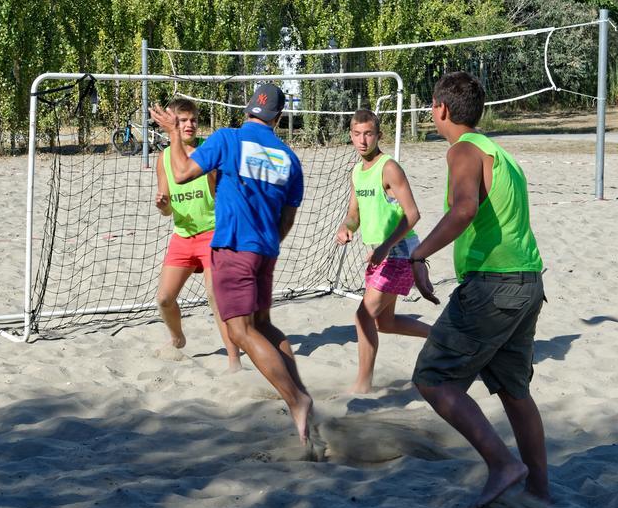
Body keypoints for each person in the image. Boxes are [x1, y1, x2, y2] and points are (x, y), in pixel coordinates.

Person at [409, 71, 548, 508]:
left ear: (442, 110)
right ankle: (540, 493)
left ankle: (502, 465)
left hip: (494, 285)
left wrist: (418, 255)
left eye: (431, 106)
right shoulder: (499, 152)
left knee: (432, 378)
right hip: (527, 283)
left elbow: (464, 208)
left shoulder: (464, 150)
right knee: (514, 392)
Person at [150, 84, 313, 444]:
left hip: (232, 247)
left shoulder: (227, 139)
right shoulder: (288, 157)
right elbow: (287, 219)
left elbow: (181, 173)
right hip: (265, 251)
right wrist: (267, 243)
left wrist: (173, 133)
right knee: (264, 325)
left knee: (239, 330)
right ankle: (300, 393)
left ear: (247, 110)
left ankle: (297, 400)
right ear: (279, 118)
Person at [335, 109, 430, 393]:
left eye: (368, 134)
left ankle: (362, 386)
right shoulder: (356, 171)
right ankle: (441, 337)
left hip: (400, 254)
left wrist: (386, 246)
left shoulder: (389, 167)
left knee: (363, 316)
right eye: (357, 134)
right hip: (381, 255)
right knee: (384, 323)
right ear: (350, 135)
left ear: (379, 135)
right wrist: (346, 227)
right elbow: (354, 214)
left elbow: (413, 214)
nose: (362, 140)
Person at [153, 97, 241, 372]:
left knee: (216, 296)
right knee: (164, 299)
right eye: (182, 120)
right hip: (183, 235)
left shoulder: (208, 150)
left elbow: (221, 194)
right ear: (172, 125)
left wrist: (214, 174)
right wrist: (164, 204)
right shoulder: (164, 158)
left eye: (192, 119)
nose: (189, 124)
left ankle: (234, 360)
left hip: (214, 233)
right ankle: (177, 339)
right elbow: (166, 209)